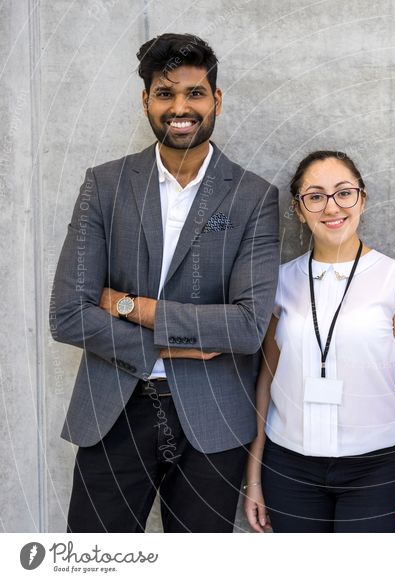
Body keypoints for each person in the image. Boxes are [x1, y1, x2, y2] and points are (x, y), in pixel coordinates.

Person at [49, 33, 280, 532]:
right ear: (146, 100)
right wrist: (177, 345)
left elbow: (244, 328)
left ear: (216, 99)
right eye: (165, 93)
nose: (181, 107)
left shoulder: (254, 197)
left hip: (211, 419)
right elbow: (68, 313)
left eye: (194, 93)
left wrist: (132, 307)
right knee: (95, 564)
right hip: (114, 410)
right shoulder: (105, 185)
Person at [243, 151, 395, 533]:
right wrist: (254, 478)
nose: (332, 207)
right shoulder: (278, 283)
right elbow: (265, 381)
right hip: (289, 467)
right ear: (299, 210)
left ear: (362, 199)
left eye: (344, 193)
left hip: (376, 469)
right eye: (315, 196)